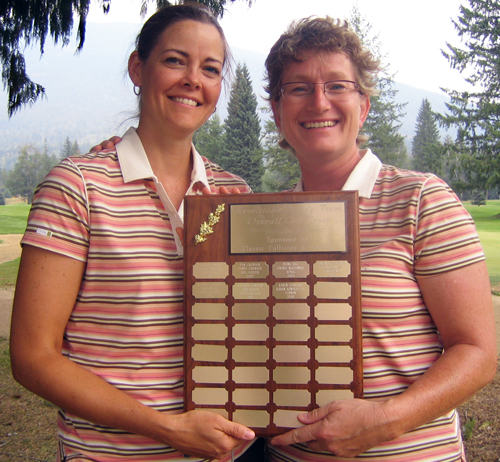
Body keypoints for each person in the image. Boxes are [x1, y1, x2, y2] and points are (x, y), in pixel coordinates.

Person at [87, 15, 497, 462]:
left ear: (364, 106)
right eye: (299, 88)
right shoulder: (258, 213)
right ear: (278, 111)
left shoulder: (420, 199)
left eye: (338, 86)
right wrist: (120, 158)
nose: (319, 102)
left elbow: (478, 350)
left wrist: (386, 420)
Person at [9, 4, 258, 461]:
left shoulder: (233, 194)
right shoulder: (78, 186)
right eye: (174, 60)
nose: (192, 79)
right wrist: (168, 429)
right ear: (137, 68)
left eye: (210, 68)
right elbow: (33, 357)